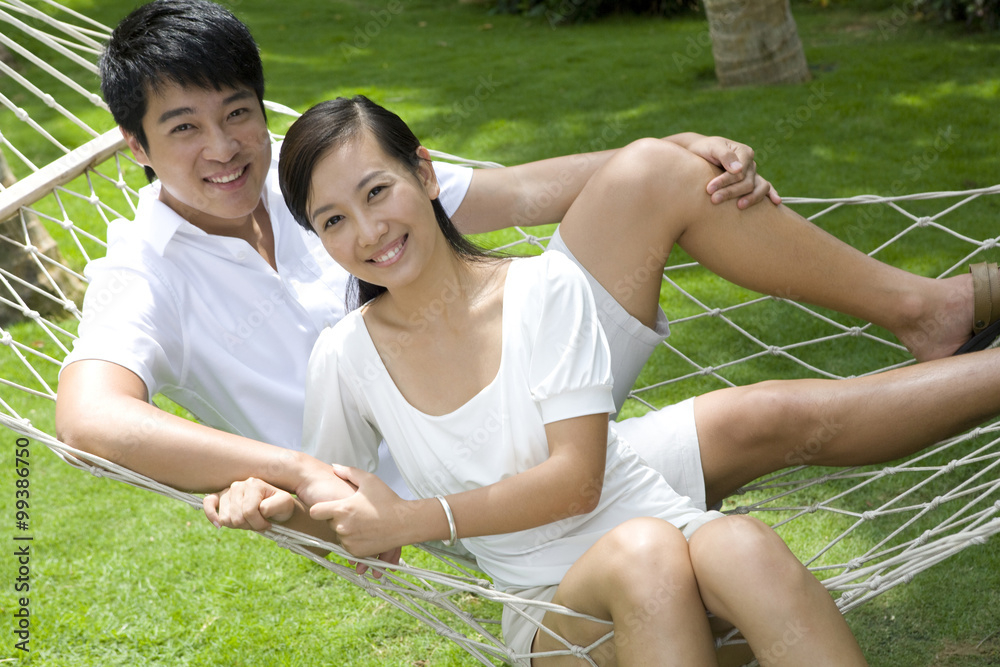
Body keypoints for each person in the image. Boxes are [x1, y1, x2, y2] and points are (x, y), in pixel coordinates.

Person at [56, 0, 1000, 551]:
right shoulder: (142, 269)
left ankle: (934, 308)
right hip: (421, 495)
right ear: (136, 145)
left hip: (517, 388)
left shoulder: (314, 176)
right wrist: (290, 470)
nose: (224, 148)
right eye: (184, 128)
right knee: (776, 420)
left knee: (658, 173)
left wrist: (673, 146)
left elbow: (512, 191)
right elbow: (90, 419)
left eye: (238, 113)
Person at [233, 94, 868, 665]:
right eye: (333, 220)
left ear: (424, 173)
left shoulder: (544, 288)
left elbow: (578, 481)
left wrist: (409, 519)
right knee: (645, 555)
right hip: (553, 612)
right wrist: (265, 505)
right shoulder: (347, 357)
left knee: (742, 543)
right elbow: (335, 526)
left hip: (665, 534)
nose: (368, 232)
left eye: (377, 192)